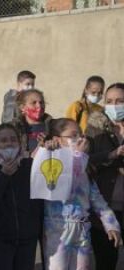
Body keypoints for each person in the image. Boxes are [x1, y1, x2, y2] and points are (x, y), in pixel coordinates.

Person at [42, 118, 121, 269]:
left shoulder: (85, 166)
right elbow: (63, 188)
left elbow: (96, 198)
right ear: (58, 140)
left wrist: (111, 224)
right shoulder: (51, 163)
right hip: (58, 231)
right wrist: (78, 157)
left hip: (82, 230)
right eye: (73, 135)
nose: (79, 139)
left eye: (81, 134)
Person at [0, 123, 43, 270]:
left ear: (19, 143)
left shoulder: (30, 165)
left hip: (28, 236)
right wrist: (4, 175)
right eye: (3, 140)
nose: (9, 143)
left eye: (13, 139)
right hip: (2, 237)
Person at [86, 82, 124, 270]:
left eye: (119, 101)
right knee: (106, 261)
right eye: (109, 101)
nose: (114, 105)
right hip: (105, 206)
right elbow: (86, 158)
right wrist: (112, 155)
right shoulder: (95, 125)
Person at [12, 89, 52, 157]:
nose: (39, 106)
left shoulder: (54, 126)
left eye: (41, 102)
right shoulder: (13, 128)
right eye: (34, 103)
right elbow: (7, 151)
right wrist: (30, 155)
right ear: (22, 107)